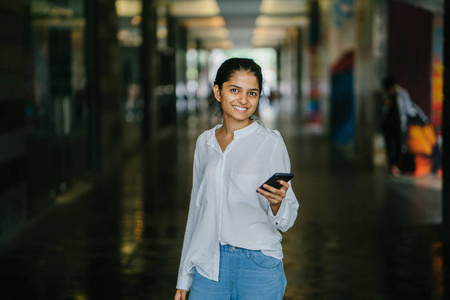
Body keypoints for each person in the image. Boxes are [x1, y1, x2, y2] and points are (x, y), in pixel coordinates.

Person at [174, 58, 299, 300]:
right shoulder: (205, 143)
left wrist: (277, 203)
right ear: (217, 92)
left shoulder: (270, 142)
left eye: (252, 93)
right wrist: (184, 277)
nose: (243, 100)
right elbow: (196, 212)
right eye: (235, 90)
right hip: (208, 265)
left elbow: (288, 216)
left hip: (258, 265)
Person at [380, 76, 435, 175]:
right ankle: (393, 165)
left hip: (405, 127)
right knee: (394, 144)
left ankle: (396, 166)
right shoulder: (389, 98)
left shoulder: (401, 96)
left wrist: (402, 129)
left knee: (400, 145)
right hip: (393, 127)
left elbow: (403, 115)